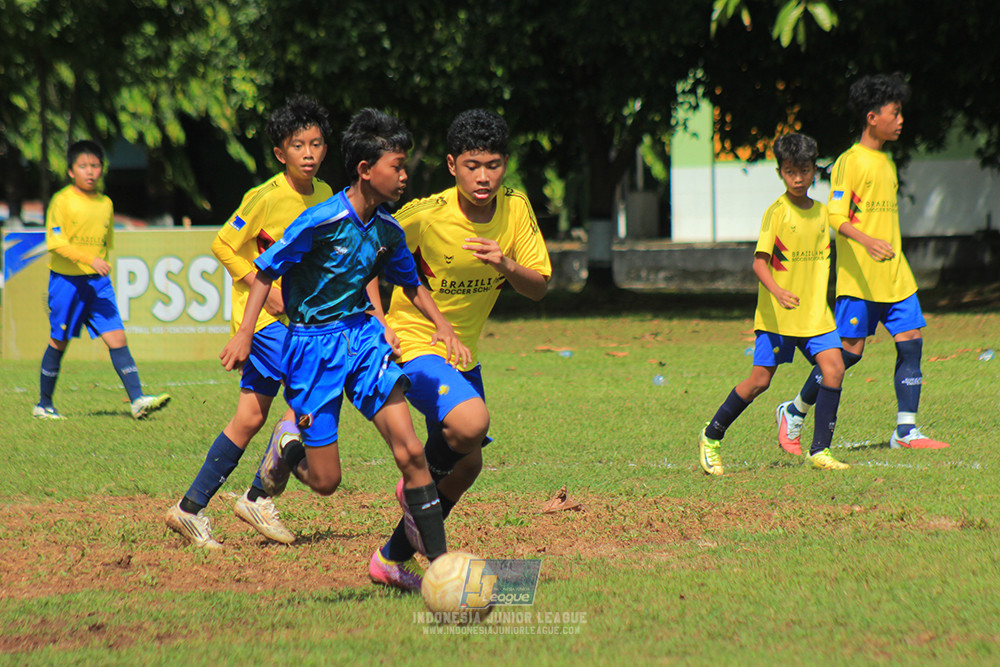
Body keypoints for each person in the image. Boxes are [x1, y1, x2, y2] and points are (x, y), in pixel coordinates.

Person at [220, 108, 471, 565]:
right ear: (365, 169)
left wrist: (443, 325)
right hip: (312, 348)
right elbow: (265, 271)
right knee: (326, 482)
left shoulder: (388, 230)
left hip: (363, 340)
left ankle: (441, 565)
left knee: (412, 452)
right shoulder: (319, 221)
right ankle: (288, 447)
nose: (404, 177)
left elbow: (411, 283)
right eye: (397, 167)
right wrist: (243, 335)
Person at [366, 109, 552, 592]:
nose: (483, 177)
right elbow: (365, 257)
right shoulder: (425, 214)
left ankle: (389, 560)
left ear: (505, 164)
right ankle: (416, 487)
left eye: (493, 165)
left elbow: (538, 287)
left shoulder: (516, 208)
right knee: (471, 423)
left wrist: (506, 263)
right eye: (472, 166)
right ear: (452, 165)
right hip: (413, 341)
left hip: (462, 351)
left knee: (467, 465)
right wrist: (379, 321)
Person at [165, 96, 334, 549]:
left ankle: (189, 508)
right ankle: (260, 495)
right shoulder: (264, 197)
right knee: (315, 388)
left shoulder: (326, 195)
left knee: (250, 417)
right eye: (298, 145)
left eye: (316, 144)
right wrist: (267, 293)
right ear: (280, 153)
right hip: (263, 321)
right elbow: (223, 244)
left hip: (298, 319)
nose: (308, 153)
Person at [775, 74, 949, 451]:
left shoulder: (886, 163)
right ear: (872, 117)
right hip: (860, 279)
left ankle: (906, 431)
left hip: (896, 276)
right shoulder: (849, 163)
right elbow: (836, 216)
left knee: (911, 342)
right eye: (894, 113)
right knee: (847, 356)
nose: (900, 120)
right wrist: (867, 241)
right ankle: (794, 410)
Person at [699, 133, 849, 475]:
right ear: (780, 172)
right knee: (759, 382)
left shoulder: (822, 213)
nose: (798, 178)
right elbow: (759, 263)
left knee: (834, 369)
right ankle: (711, 435)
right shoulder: (777, 213)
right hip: (777, 316)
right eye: (790, 171)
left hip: (815, 314)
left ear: (814, 170)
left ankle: (820, 450)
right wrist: (778, 292)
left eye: (804, 170)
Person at [35, 140, 170, 421]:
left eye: (95, 166)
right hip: (67, 283)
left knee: (117, 337)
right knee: (59, 341)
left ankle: (137, 401)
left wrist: (95, 266)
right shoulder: (62, 201)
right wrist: (90, 260)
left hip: (97, 284)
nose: (90, 171)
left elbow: (105, 244)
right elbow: (55, 242)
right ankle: (43, 405)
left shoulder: (106, 204)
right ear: (71, 171)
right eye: (83, 166)